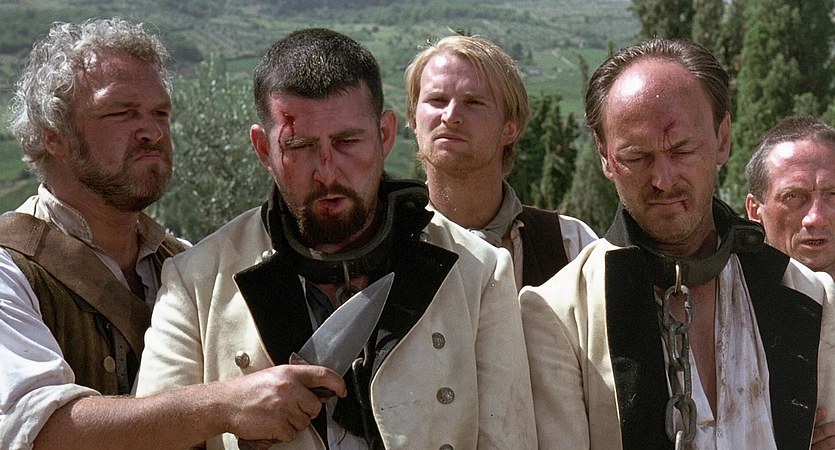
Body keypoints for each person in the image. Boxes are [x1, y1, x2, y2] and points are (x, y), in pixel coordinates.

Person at [134, 28, 535, 449]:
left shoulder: (480, 273)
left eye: (347, 142)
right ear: (264, 149)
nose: (326, 172)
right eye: (299, 146)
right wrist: (224, 406)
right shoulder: (197, 282)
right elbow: (149, 438)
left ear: (385, 135)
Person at [0, 18, 352, 450]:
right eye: (121, 112)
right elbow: (39, 431)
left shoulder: (186, 266)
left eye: (160, 113)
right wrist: (224, 406)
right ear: (54, 136)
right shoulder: (9, 270)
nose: (152, 131)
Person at [520, 38, 835, 449]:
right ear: (605, 156)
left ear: (723, 139)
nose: (663, 180)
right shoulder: (560, 317)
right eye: (636, 157)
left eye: (683, 150)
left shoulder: (807, 295)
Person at [405, 35, 597, 290]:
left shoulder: (570, 247)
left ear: (510, 127)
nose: (450, 116)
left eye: (473, 102)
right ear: (413, 119)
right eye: (436, 100)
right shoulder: (383, 245)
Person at [745, 115, 835, 280]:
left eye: (832, 195)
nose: (815, 219)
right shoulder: (730, 292)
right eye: (793, 196)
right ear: (755, 210)